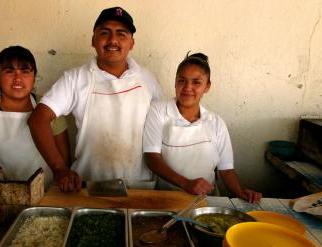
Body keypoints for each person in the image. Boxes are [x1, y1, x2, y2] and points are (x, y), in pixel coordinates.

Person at [28, 7, 163, 192]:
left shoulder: (148, 80)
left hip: (140, 187)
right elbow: (38, 119)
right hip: (88, 186)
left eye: (121, 34)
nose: (113, 40)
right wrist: (60, 169)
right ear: (93, 40)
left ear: (132, 43)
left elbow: (160, 129)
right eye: (104, 33)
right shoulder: (75, 78)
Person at [143, 52, 262, 203]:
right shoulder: (159, 111)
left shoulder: (216, 123)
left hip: (207, 202)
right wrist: (186, 184)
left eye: (196, 82)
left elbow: (226, 170)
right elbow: (152, 159)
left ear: (207, 86)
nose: (187, 87)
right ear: (175, 82)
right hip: (167, 200)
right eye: (182, 81)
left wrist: (240, 192)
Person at [0, 45, 70, 190]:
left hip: (46, 196)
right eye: (9, 71)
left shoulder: (50, 109)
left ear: (34, 77)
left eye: (25, 72)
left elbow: (65, 162)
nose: (18, 79)